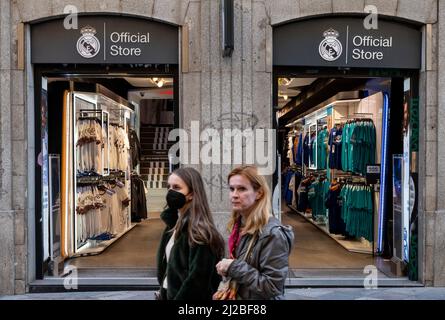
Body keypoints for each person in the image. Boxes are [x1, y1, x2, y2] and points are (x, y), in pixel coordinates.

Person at [215, 165, 294, 300]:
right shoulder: (238, 225)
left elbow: (272, 287)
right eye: (231, 189)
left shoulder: (272, 234)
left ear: (259, 193)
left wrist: (233, 266)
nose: (234, 195)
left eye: (242, 189)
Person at [156, 167, 225, 300]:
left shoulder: (200, 233)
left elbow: (197, 283)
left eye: (176, 187)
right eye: (168, 187)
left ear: (192, 194)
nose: (171, 192)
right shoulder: (173, 226)